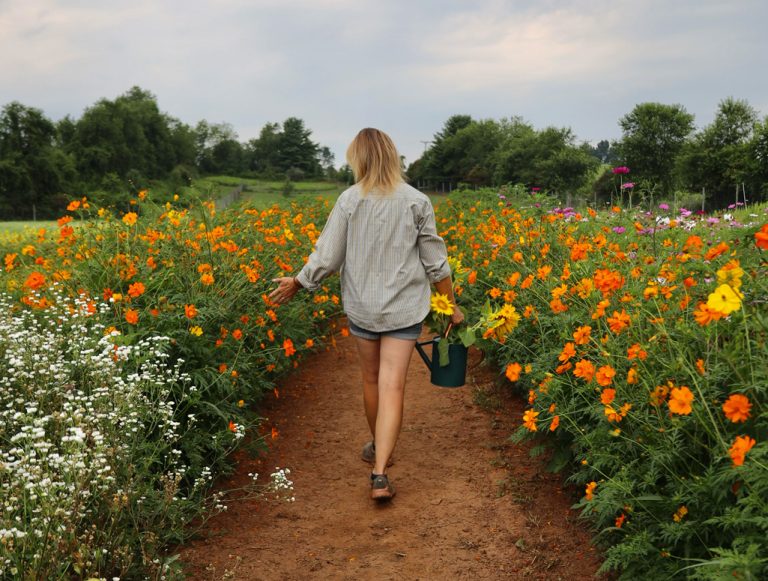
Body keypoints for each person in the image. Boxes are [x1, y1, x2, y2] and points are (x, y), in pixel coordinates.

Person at [269, 128, 463, 501]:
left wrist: (298, 282)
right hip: (405, 309)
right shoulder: (416, 201)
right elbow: (437, 263)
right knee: (393, 385)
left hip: (362, 307)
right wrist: (450, 305)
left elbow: (327, 256)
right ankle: (379, 475)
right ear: (393, 156)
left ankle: (377, 448)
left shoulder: (349, 200)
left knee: (372, 381)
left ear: (357, 159)